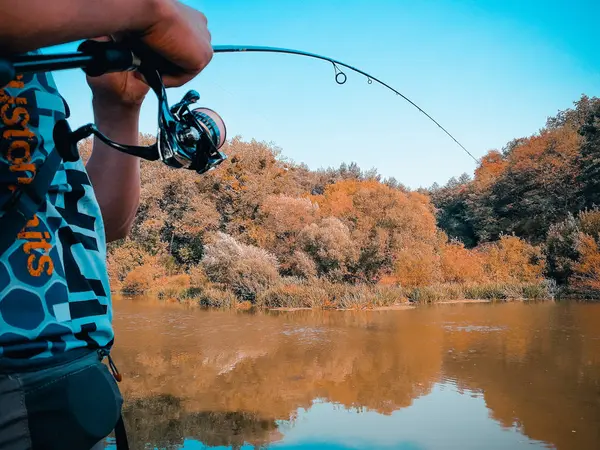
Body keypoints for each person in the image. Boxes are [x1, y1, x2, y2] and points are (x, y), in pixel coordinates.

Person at [0, 1, 213, 448]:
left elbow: (104, 226)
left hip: (75, 386)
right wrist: (149, 12)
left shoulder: (32, 63)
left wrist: (119, 107)